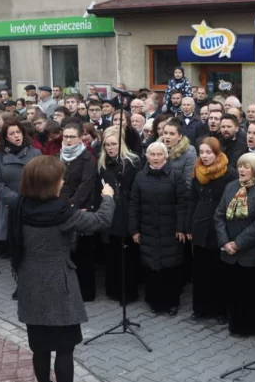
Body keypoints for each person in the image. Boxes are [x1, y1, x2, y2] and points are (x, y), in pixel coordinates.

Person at [9, 156, 115, 382]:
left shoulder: (20, 206)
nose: (63, 181)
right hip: (59, 284)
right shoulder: (62, 214)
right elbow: (100, 221)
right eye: (60, 178)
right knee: (65, 348)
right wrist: (109, 196)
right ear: (50, 184)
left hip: (30, 282)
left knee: (40, 347)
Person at [130, 142, 188, 315]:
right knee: (151, 266)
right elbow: (134, 205)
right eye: (152, 155)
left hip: (170, 229)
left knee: (170, 266)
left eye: (159, 154)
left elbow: (183, 204)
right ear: (147, 157)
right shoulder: (140, 177)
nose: (155, 158)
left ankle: (172, 302)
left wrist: (181, 227)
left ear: (166, 156)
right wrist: (134, 229)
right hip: (148, 229)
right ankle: (154, 301)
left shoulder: (176, 176)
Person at [214, 152, 255, 335]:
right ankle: (234, 325)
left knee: (249, 294)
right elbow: (219, 215)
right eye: (240, 166)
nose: (242, 170)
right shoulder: (231, 187)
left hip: (250, 253)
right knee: (232, 291)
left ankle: (250, 328)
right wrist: (225, 242)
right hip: (228, 251)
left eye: (247, 166)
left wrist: (238, 243)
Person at [187, 137, 237, 321]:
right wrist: (189, 225)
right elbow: (192, 199)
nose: (205, 156)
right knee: (201, 272)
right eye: (202, 152)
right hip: (200, 226)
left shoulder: (229, 174)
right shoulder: (197, 171)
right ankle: (201, 309)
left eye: (209, 152)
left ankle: (221, 311)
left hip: (220, 228)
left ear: (217, 154)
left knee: (219, 272)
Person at [98, 126, 142, 303]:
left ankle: (128, 293)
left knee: (128, 256)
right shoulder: (102, 164)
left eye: (113, 144)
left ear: (121, 143)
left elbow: (136, 190)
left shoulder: (133, 162)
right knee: (112, 254)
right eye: (107, 145)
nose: (110, 148)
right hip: (110, 211)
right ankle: (113, 289)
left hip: (127, 211)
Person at [0, 121, 43, 259]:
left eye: (18, 132)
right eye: (12, 134)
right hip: (10, 204)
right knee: (15, 246)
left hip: (32, 204)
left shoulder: (35, 152)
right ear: (6, 137)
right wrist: (16, 199)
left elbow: (42, 178)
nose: (16, 136)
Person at [58, 121, 99, 302]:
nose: (68, 140)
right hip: (60, 210)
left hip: (80, 211)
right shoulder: (57, 156)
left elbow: (86, 186)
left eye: (72, 137)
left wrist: (70, 206)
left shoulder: (87, 158)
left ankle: (85, 293)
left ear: (80, 137)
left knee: (83, 257)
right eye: (65, 136)